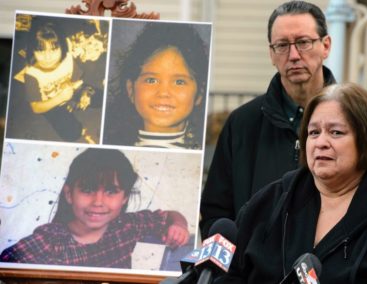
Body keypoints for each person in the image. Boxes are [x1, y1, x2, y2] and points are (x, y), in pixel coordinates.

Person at [217, 82, 367, 283]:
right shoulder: (273, 200)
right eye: (313, 132)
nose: (321, 142)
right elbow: (231, 274)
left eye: (336, 132)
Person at [200, 0, 336, 239]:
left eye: (303, 42)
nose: (293, 55)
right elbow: (215, 214)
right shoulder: (242, 124)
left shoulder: (355, 121)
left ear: (326, 46)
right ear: (271, 54)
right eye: (282, 45)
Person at [0, 148, 190, 268]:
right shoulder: (48, 240)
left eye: (111, 191)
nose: (98, 202)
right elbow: (5, 265)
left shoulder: (126, 227)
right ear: (69, 194)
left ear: (124, 197)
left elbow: (171, 216)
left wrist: (179, 226)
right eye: (88, 190)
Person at [103, 21, 210, 149]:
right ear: (131, 90)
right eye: (151, 80)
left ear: (199, 95)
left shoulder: (207, 151)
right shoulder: (107, 144)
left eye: (179, 82)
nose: (163, 93)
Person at [9, 16, 103, 143]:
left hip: (69, 91)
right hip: (50, 105)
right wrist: (61, 98)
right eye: (41, 50)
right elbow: (36, 108)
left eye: (54, 49)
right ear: (32, 51)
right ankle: (69, 109)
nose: (48, 57)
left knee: (100, 97)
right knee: (72, 134)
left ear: (62, 47)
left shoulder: (67, 58)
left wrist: (83, 92)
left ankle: (75, 104)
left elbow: (76, 78)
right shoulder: (31, 74)